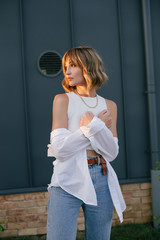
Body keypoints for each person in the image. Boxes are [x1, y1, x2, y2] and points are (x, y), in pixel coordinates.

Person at [47, 46, 126, 240]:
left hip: (102, 176)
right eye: (66, 66)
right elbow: (60, 149)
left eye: (73, 65)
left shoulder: (109, 106)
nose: (67, 71)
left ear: (88, 67)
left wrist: (93, 127)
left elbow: (111, 152)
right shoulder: (62, 100)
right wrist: (95, 127)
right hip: (67, 178)